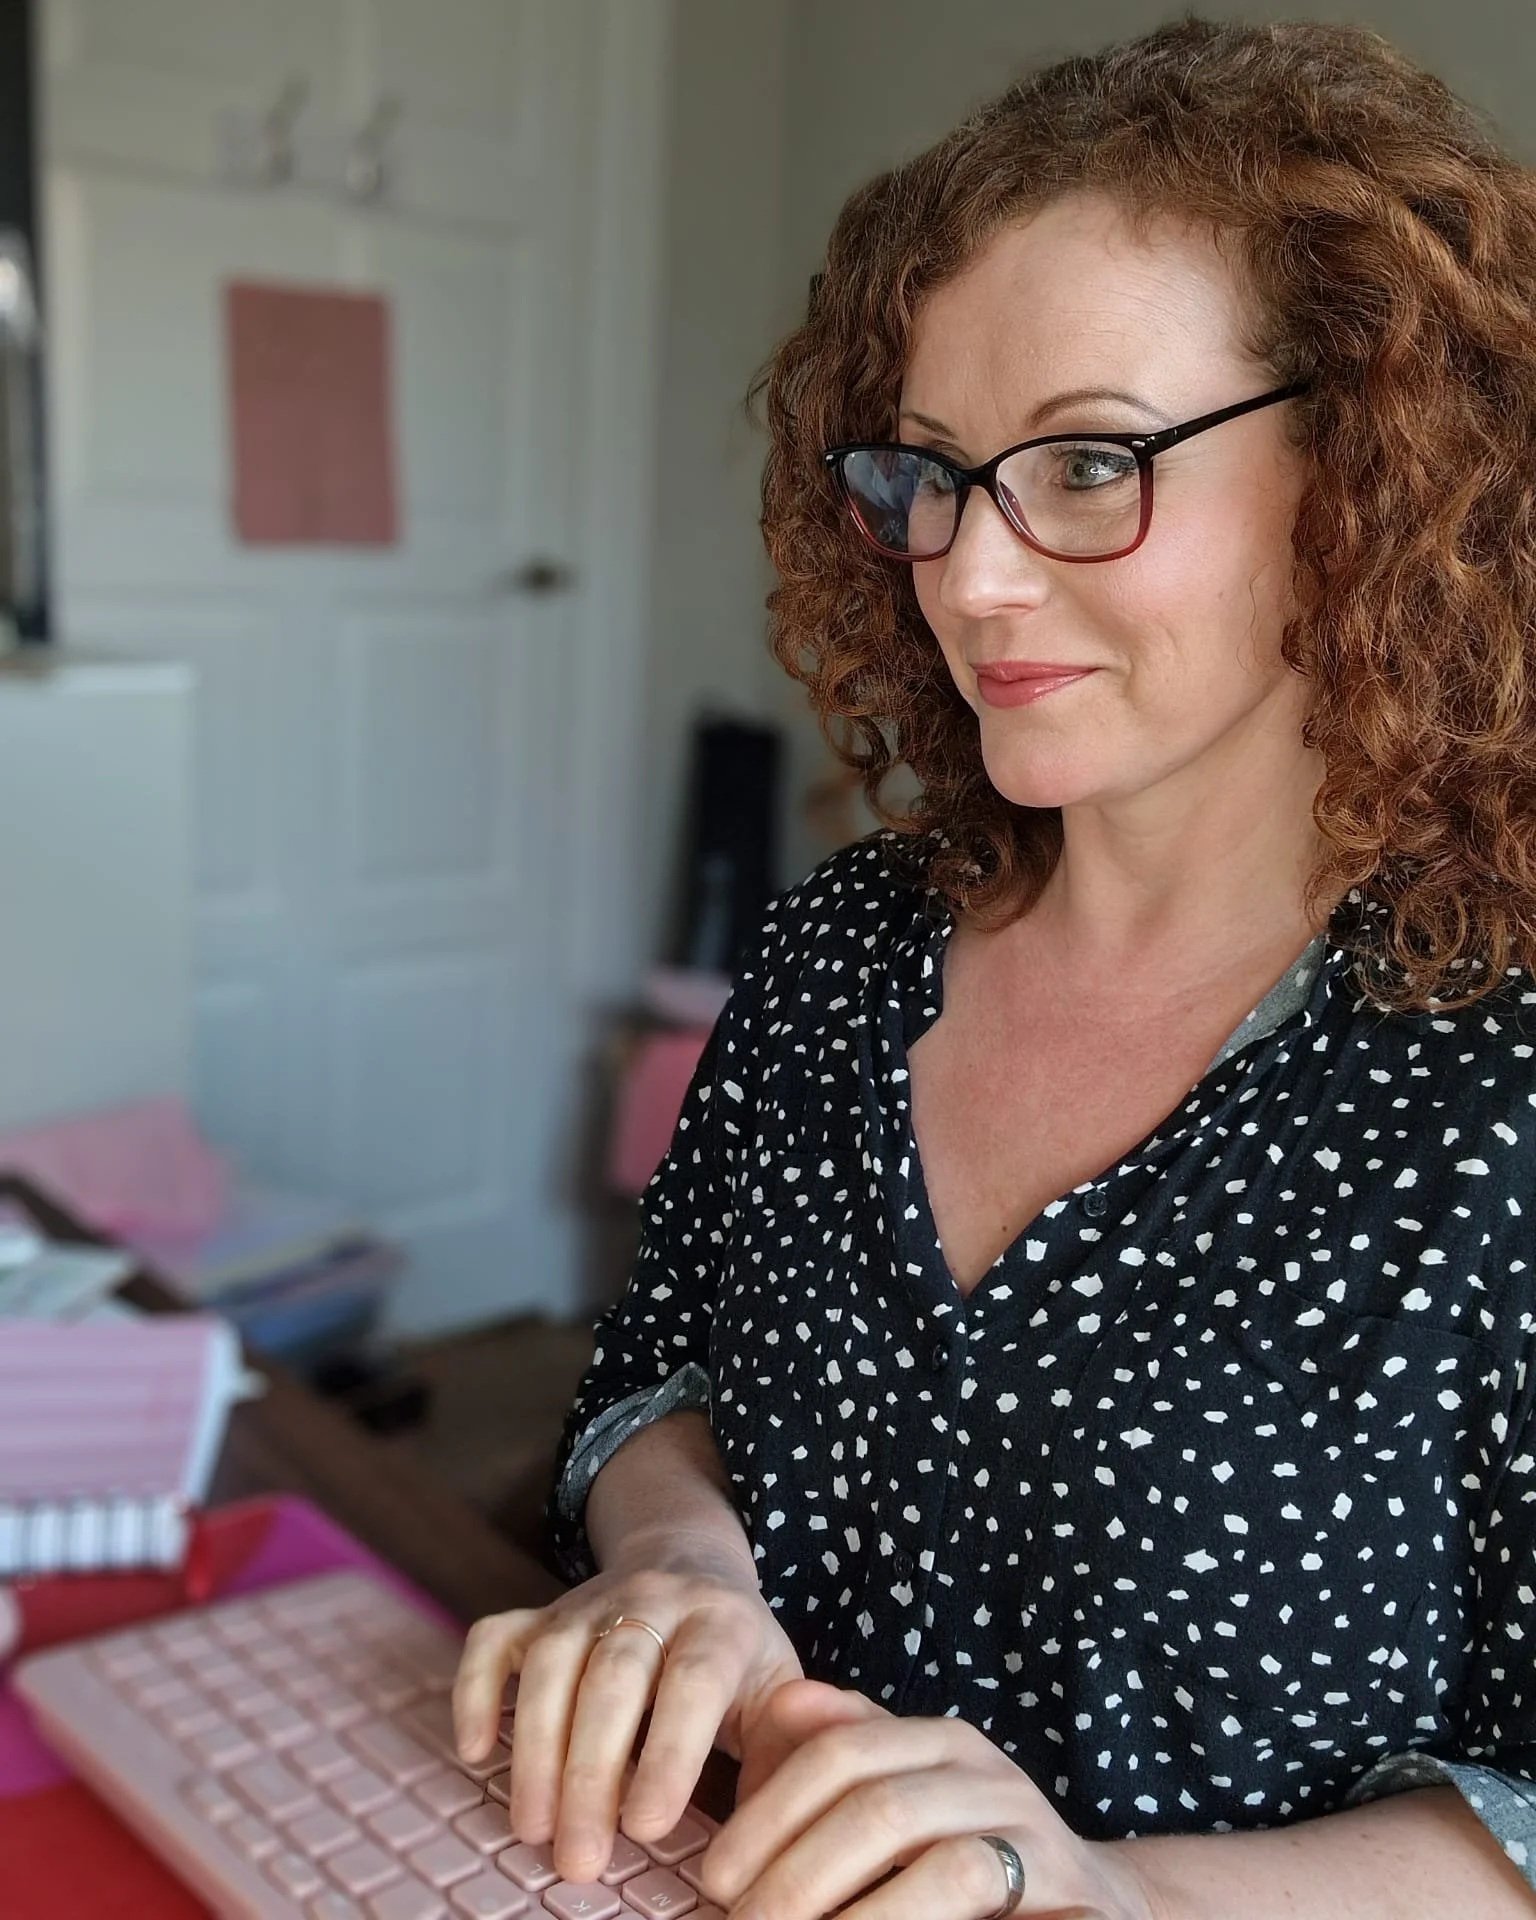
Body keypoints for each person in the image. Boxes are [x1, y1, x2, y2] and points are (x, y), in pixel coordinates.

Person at [453, 17, 1536, 1918]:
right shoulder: (833, 957)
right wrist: (680, 1565)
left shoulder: (1497, 1089)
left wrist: (1122, 1896)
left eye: (1095, 459)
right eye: (934, 475)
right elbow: (657, 1379)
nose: (969, 574)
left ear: (1376, 467)